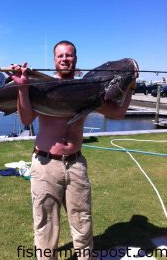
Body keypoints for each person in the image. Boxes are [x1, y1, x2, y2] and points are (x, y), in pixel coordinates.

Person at [9, 41, 137, 260]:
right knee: (45, 224)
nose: (64, 59)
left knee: (82, 221)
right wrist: (22, 88)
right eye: (60, 56)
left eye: (69, 55)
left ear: (75, 59)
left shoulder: (88, 91)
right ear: (54, 60)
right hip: (45, 164)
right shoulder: (44, 88)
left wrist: (131, 86)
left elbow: (117, 113)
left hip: (76, 164)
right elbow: (27, 118)